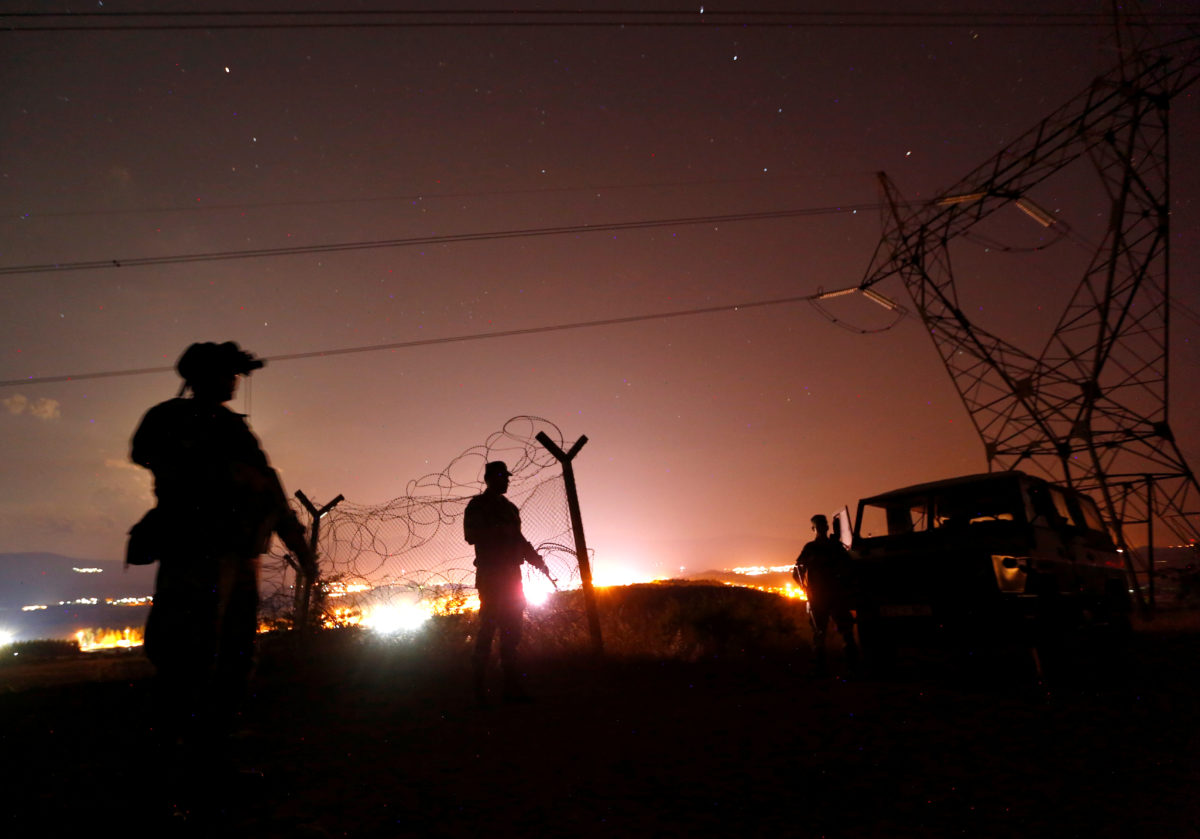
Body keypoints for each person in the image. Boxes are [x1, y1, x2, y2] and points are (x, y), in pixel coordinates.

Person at [131, 341, 316, 748]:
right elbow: (151, 457)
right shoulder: (174, 420)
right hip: (198, 553)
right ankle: (183, 748)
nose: (234, 381)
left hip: (235, 553)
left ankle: (209, 745)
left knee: (233, 651)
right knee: (193, 652)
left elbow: (269, 489)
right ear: (204, 377)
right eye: (226, 373)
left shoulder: (225, 427)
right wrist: (225, 473)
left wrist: (298, 545)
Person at [463, 460, 555, 704]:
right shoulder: (478, 506)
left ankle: (510, 688)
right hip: (492, 576)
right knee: (488, 629)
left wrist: (537, 561)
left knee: (512, 633)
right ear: (489, 479)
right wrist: (500, 531)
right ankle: (479, 690)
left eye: (506, 477)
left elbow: (520, 540)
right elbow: (471, 536)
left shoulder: (510, 508)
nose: (506, 481)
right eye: (502, 477)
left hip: (512, 576)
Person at [794, 513, 859, 674]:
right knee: (822, 632)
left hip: (830, 595)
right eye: (819, 525)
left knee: (840, 631)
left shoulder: (828, 547)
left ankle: (847, 666)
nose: (821, 528)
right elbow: (798, 571)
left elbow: (848, 567)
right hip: (823, 596)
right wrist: (805, 588)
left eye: (822, 525)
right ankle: (830, 667)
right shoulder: (817, 548)